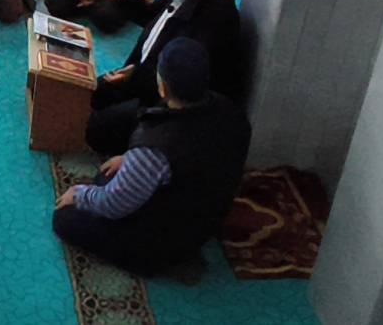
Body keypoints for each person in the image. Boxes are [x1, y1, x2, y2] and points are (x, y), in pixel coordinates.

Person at [53, 38, 251, 276]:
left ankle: (168, 261)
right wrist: (129, 160)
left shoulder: (155, 148)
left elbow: (113, 204)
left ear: (163, 88)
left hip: (164, 238)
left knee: (65, 218)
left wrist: (78, 195)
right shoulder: (230, 110)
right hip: (204, 217)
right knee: (108, 175)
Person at [86, 0, 240, 155]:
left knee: (95, 130)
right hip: (143, 76)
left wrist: (136, 77)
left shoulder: (216, 15)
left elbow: (184, 79)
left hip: (167, 102)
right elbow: (150, 14)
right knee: (91, 94)